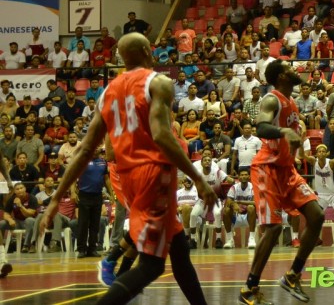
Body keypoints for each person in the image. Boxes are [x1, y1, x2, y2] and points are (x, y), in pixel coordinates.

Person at [38, 33, 217, 305]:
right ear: (147, 51)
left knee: (179, 250)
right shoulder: (158, 82)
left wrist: (55, 199)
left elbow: (84, 150)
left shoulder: (107, 93)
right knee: (152, 266)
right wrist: (198, 178)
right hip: (154, 175)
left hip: (128, 178)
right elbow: (161, 135)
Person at [239, 60, 324, 305]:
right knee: (273, 228)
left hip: (287, 170)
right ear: (280, 77)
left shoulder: (292, 102)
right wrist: (284, 132)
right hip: (267, 169)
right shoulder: (271, 99)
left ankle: (292, 275)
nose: (294, 70)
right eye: (288, 68)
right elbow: (261, 127)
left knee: (317, 215)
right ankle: (250, 288)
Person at [305, 141, 334, 247]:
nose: (321, 153)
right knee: (314, 217)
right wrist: (302, 142)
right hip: (321, 195)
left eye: (323, 151)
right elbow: (302, 155)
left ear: (326, 153)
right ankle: (316, 238)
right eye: (319, 151)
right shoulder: (313, 161)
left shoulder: (331, 163)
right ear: (316, 154)